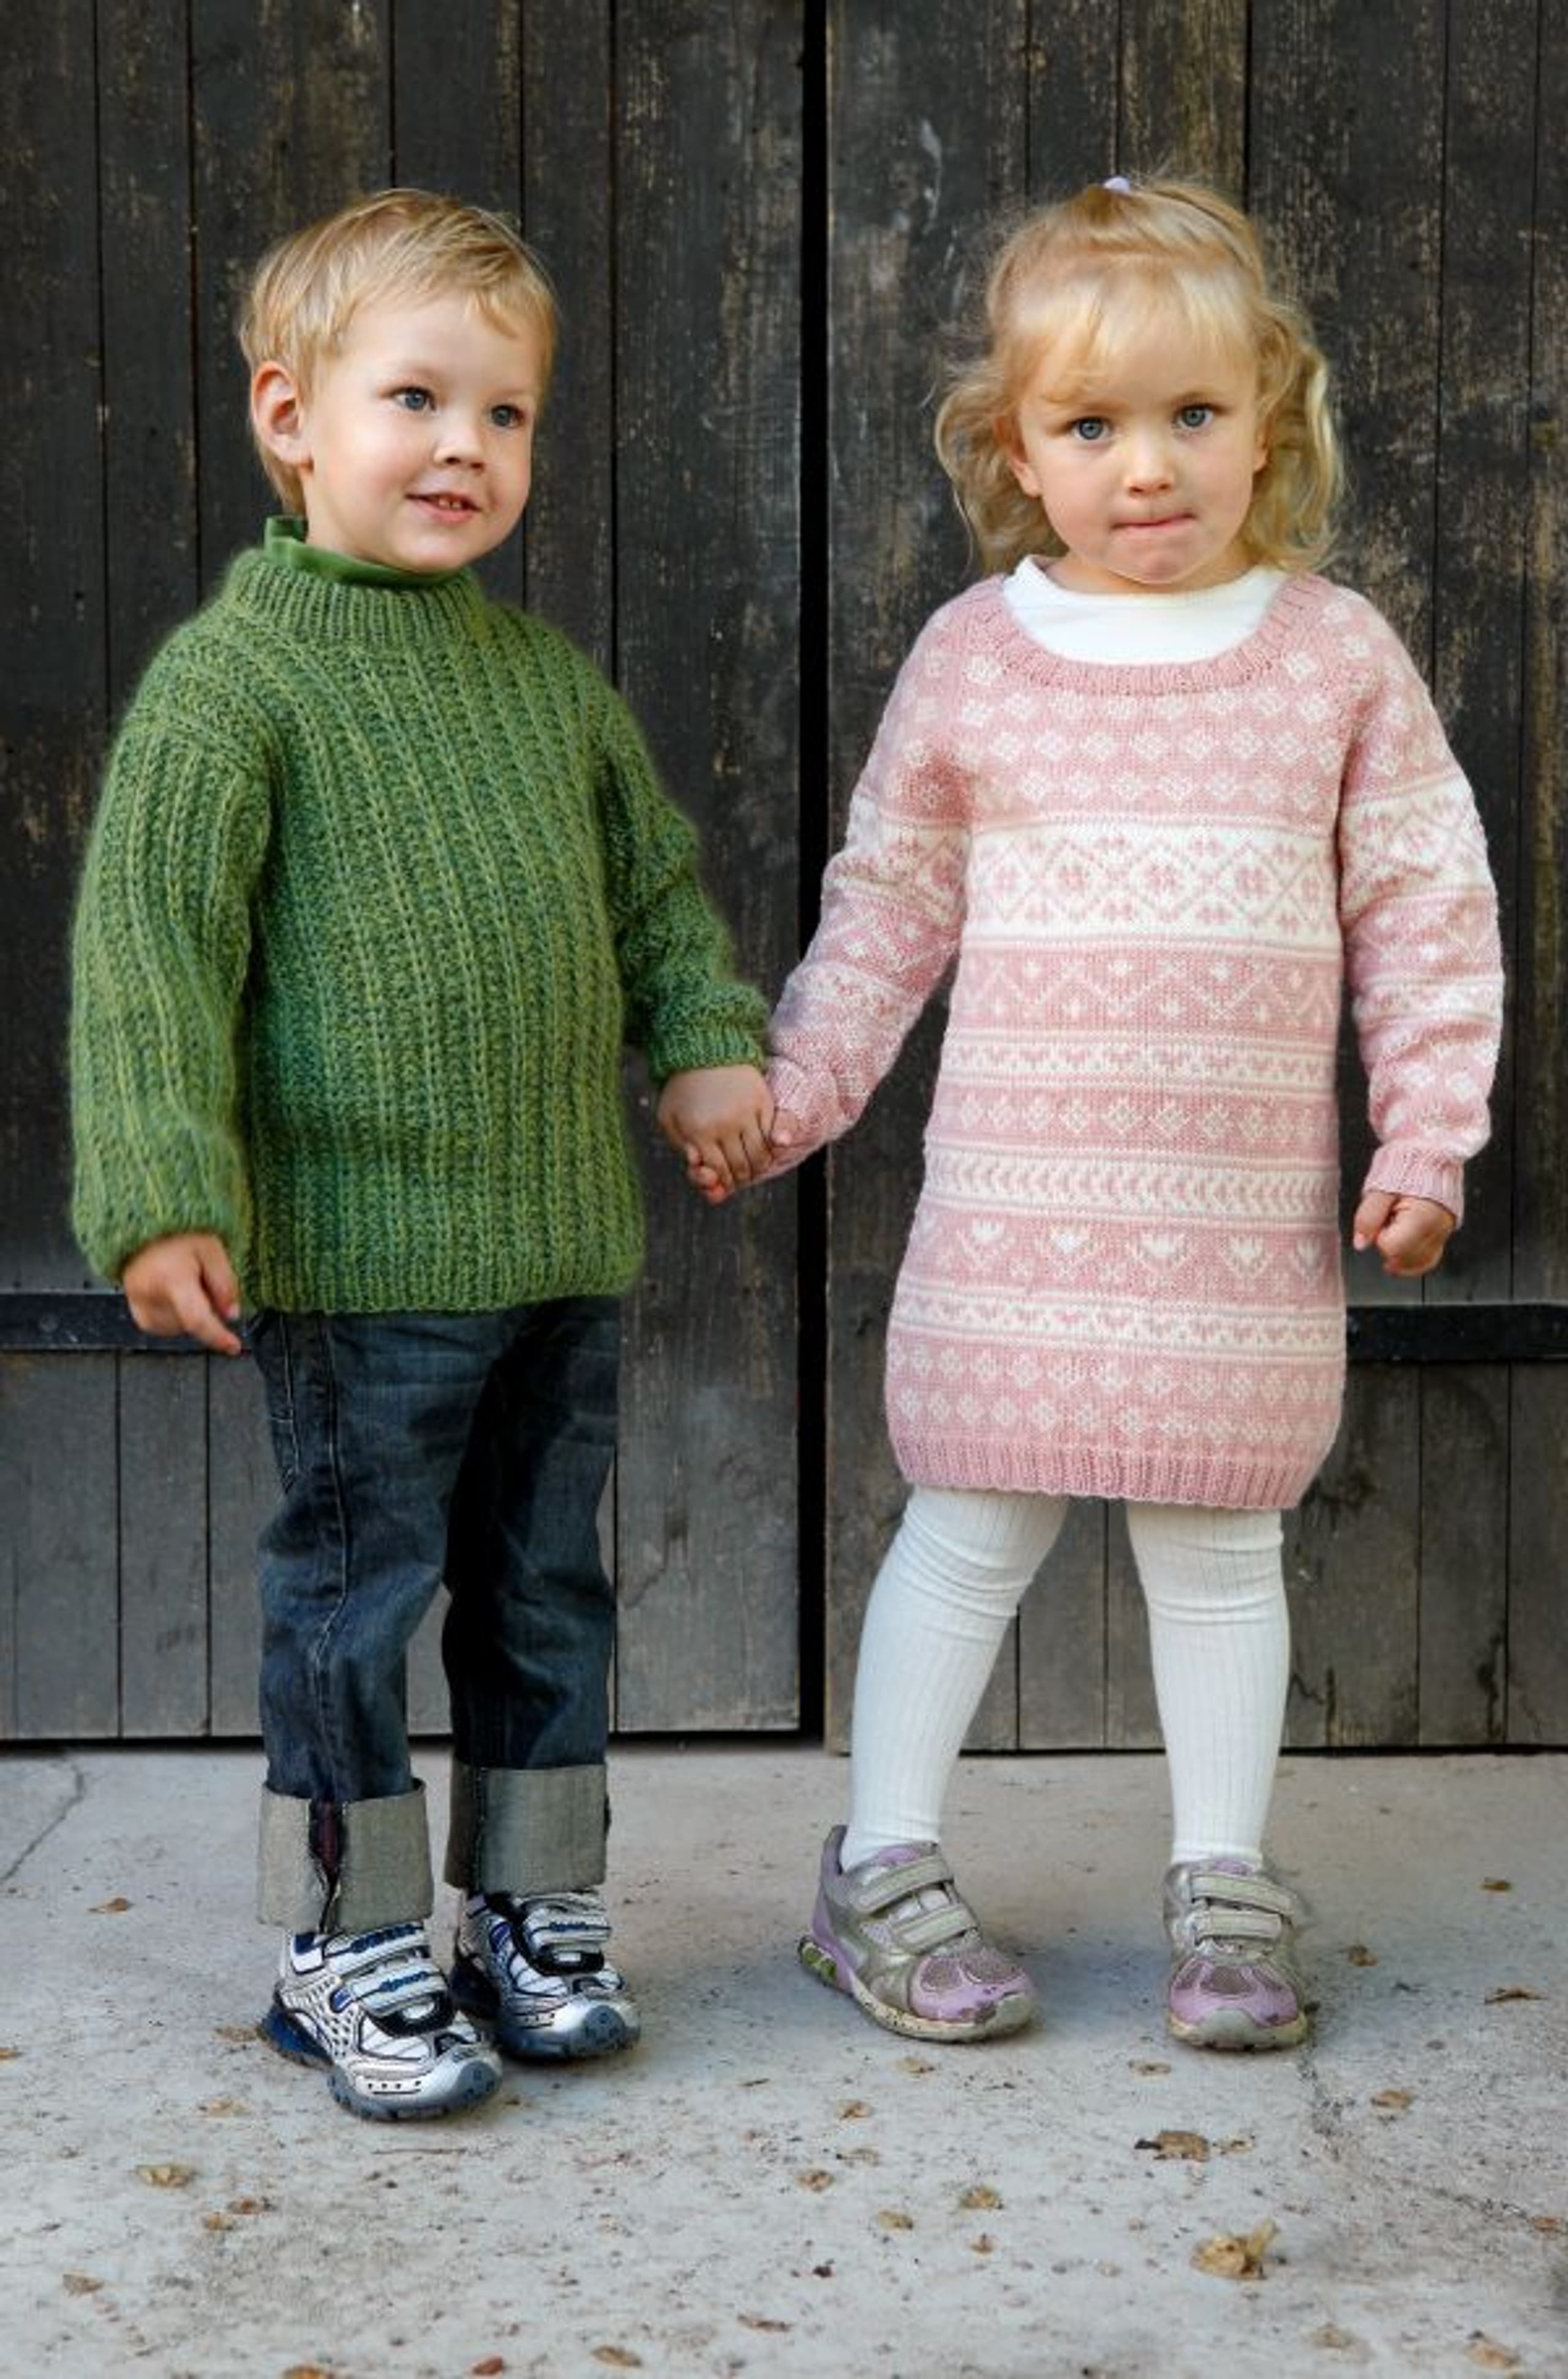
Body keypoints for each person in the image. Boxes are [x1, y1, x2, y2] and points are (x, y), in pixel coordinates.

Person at [690, 173, 1503, 2052]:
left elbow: (1425, 904)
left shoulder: (1332, 653)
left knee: (1220, 1543)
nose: (1148, 466)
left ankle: (1224, 1880)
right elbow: (887, 904)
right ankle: (878, 1862)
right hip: (1019, 1212)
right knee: (970, 1520)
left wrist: (1428, 1133)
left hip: (1232, 1217)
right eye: (1091, 426)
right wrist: (797, 1091)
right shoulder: (979, 656)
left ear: (1267, 423)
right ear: (1017, 451)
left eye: (1193, 414)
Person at [70, 189, 773, 2120]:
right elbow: (152, 955)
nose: (466, 444)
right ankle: (345, 1931)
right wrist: (162, 1190)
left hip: (559, 1249)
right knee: (355, 1606)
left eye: (506, 413)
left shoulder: (543, 685)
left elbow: (652, 891)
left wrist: (706, 1042)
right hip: (362, 1265)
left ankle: (532, 1904)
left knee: (546, 1598)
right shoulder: (235, 686)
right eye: (417, 399)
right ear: (290, 417)